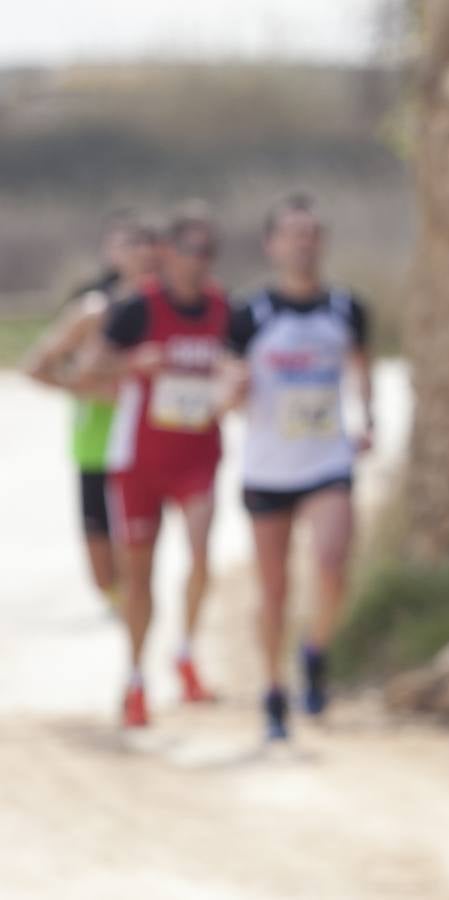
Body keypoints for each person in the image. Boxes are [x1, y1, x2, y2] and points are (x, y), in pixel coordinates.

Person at [222, 193, 374, 741]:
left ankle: (315, 650)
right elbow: (225, 388)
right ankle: (271, 688)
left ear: (321, 241)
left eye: (311, 233)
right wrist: (233, 392)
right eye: (292, 233)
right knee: (274, 590)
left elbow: (361, 367)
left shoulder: (346, 308)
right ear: (272, 245)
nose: (303, 243)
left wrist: (368, 418)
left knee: (332, 563)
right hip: (267, 467)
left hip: (327, 459)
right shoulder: (248, 314)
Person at [86, 210, 232, 728]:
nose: (200, 262)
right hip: (140, 463)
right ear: (168, 254)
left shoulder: (223, 309)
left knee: (199, 553)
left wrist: (232, 384)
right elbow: (90, 367)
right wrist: (132, 365)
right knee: (140, 578)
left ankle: (187, 652)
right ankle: (134, 678)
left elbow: (238, 367)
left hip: (198, 457)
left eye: (208, 251)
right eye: (191, 250)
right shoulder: (136, 311)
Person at [21, 212, 162, 617]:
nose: (143, 256)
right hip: (98, 443)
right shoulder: (95, 310)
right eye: (132, 246)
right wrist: (95, 389)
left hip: (152, 445)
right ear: (114, 255)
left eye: (150, 248)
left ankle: (139, 618)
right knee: (103, 567)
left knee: (140, 546)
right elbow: (37, 366)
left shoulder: (169, 308)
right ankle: (122, 605)